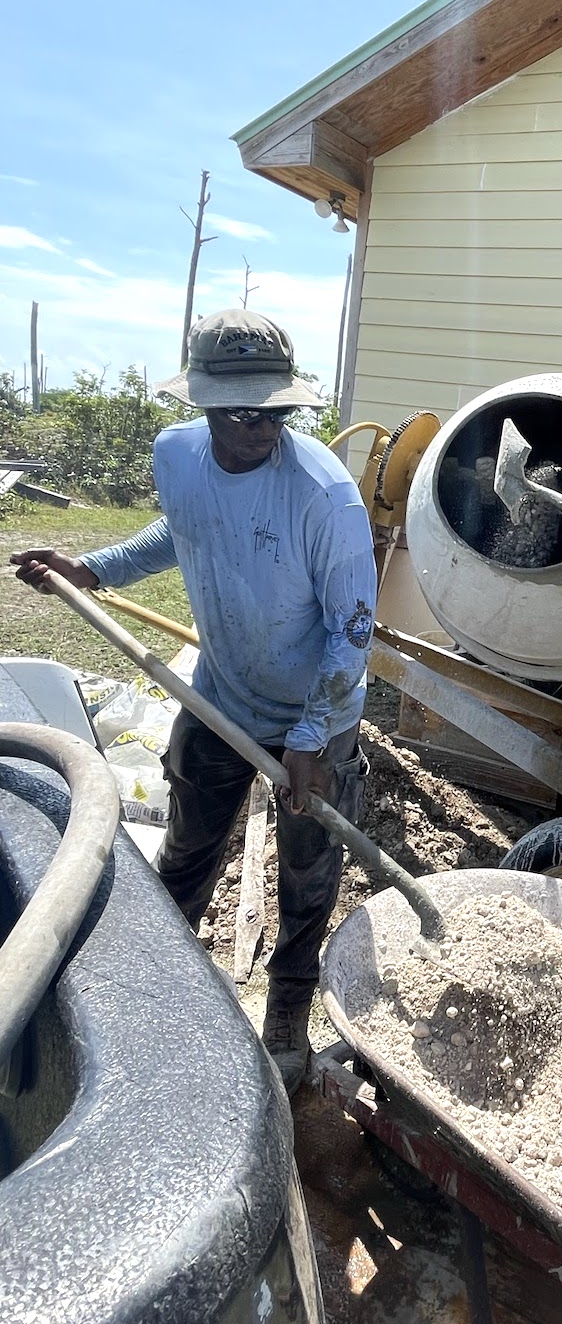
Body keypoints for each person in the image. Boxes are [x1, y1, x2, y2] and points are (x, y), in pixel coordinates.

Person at [11, 308, 377, 1096]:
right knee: (186, 853)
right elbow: (181, 530)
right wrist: (91, 570)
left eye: (276, 412)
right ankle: (157, 990)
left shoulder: (324, 496)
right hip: (219, 702)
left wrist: (312, 736)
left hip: (317, 719)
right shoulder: (176, 455)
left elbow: (353, 632)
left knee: (308, 874)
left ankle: (287, 1014)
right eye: (242, 413)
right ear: (202, 404)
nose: (262, 428)